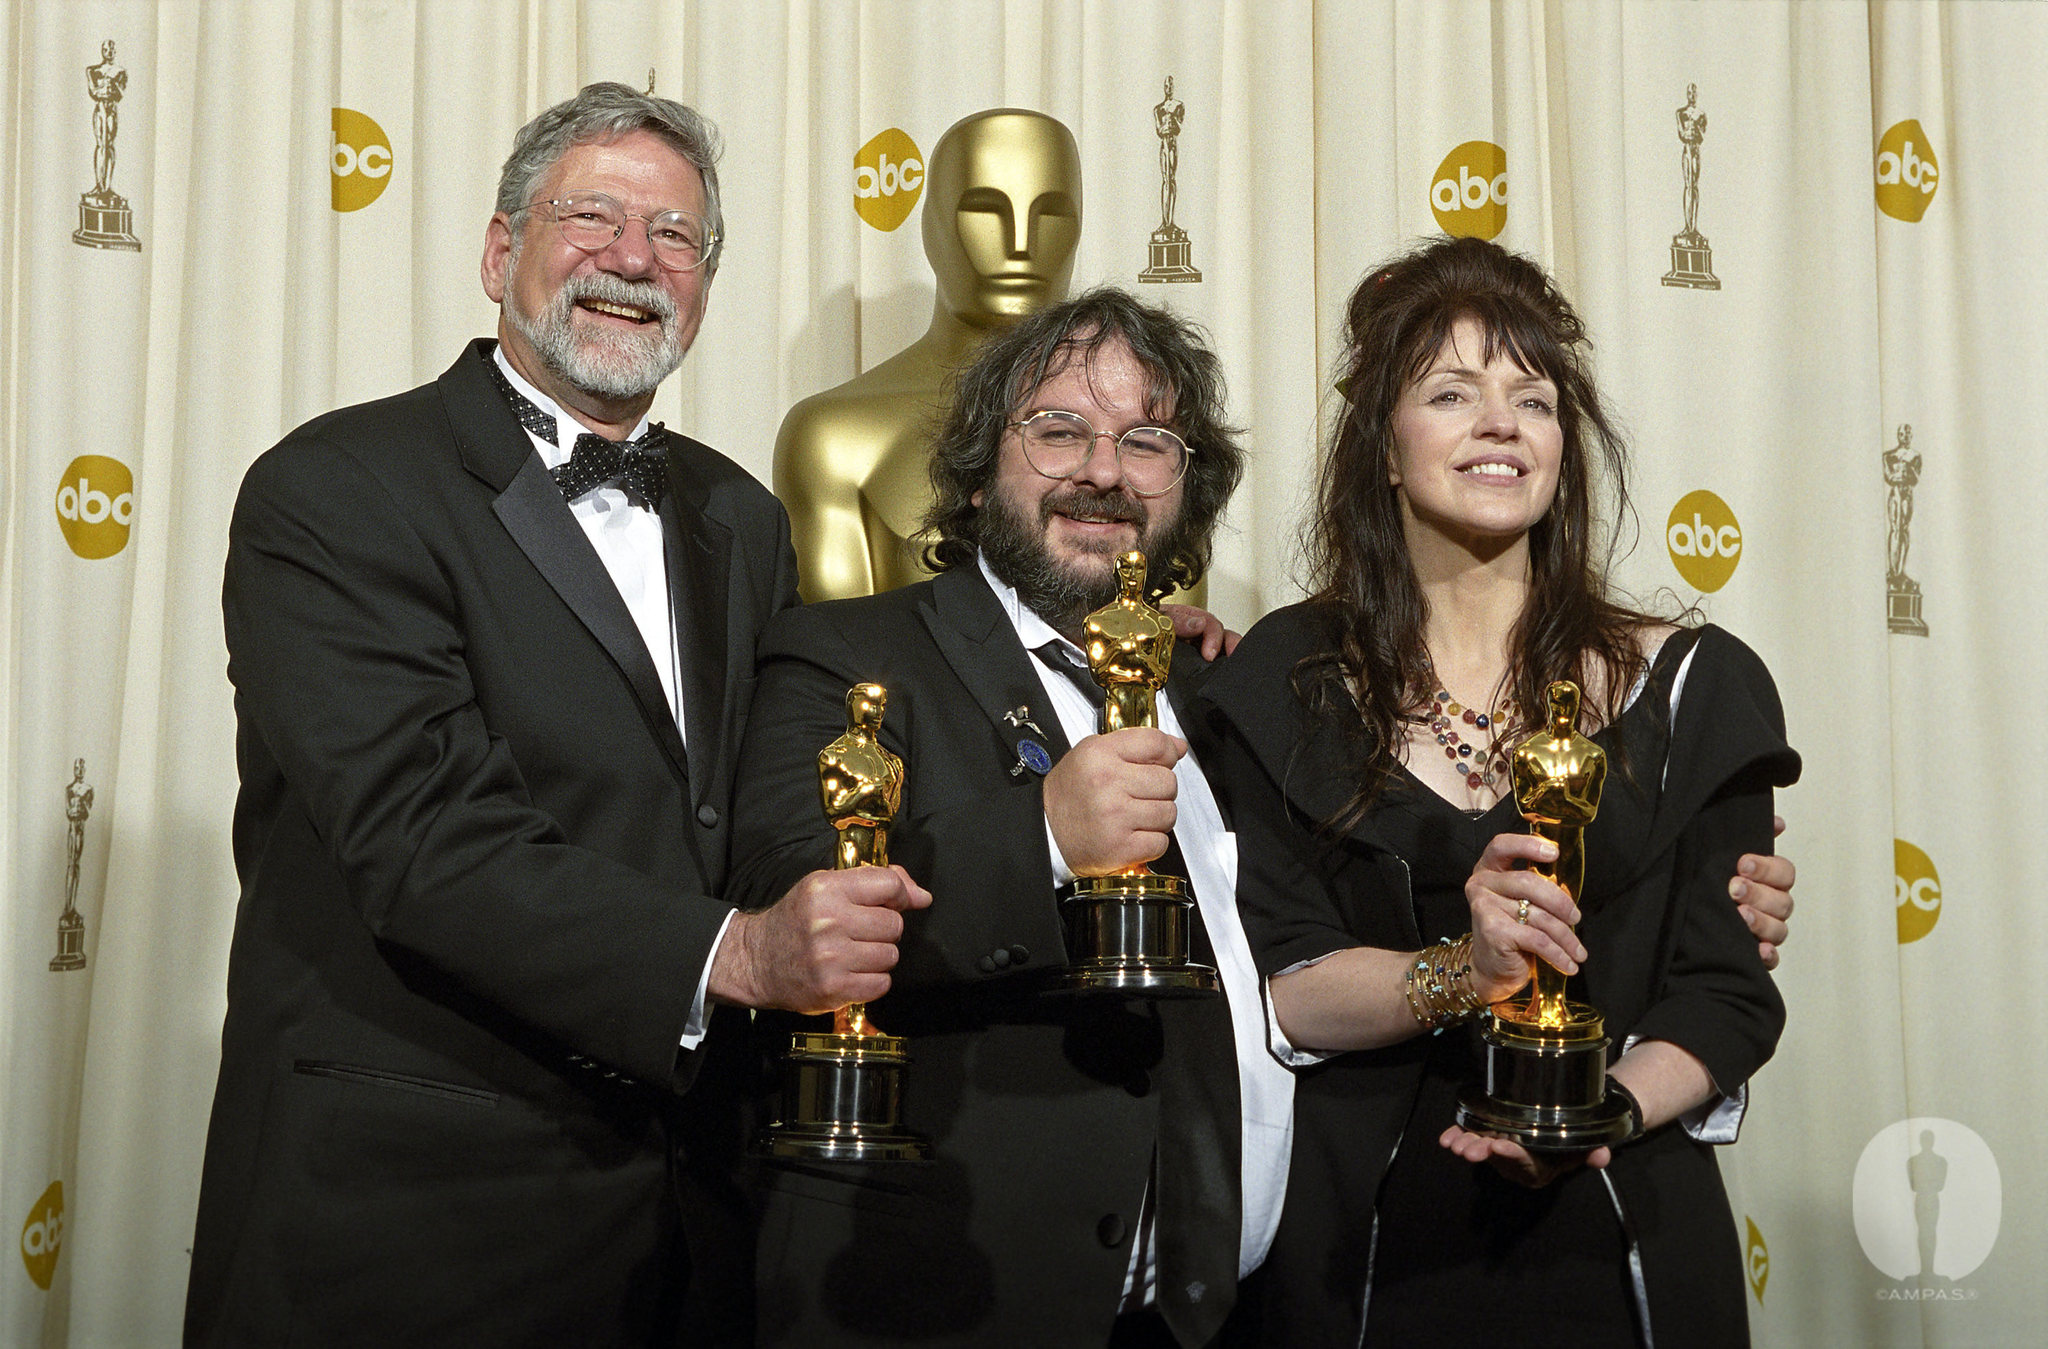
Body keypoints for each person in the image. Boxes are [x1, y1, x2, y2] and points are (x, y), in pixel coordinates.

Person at [727, 285, 1796, 1348]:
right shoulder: (845, 655)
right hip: (945, 1289)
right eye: (1058, 431)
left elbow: (1711, 979)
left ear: (1184, 492)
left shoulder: (1220, 686)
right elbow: (783, 907)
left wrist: (1698, 929)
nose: (1102, 469)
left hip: (1212, 1302)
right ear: (970, 475)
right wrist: (1045, 833)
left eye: (1146, 441)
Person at [185, 83, 928, 1347]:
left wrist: (1127, 648)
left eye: (676, 237)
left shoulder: (739, 517)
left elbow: (789, 759)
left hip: (686, 1220)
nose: (633, 260)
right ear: (498, 251)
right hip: (413, 1222)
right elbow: (426, 840)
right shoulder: (336, 488)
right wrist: (733, 957)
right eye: (592, 217)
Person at [1197, 234, 1797, 1347]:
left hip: (1622, 1236)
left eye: (1531, 398)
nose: (1498, 422)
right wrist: (1460, 972)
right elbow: (1281, 983)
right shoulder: (1283, 680)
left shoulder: (1695, 685)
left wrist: (1597, 1111)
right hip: (1358, 1250)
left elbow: (1725, 992)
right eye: (1450, 391)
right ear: (1382, 443)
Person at [774, 108, 1083, 600]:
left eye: (1051, 214)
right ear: (931, 228)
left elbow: (1168, 654)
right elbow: (839, 658)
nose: (1020, 244)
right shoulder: (833, 437)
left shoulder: (1145, 437)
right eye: (984, 210)